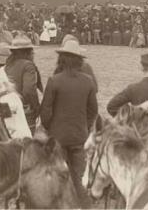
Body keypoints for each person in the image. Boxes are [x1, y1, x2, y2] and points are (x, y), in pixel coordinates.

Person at [40, 40, 97, 209]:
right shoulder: (88, 81)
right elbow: (93, 111)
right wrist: (84, 126)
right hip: (80, 136)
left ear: (62, 59)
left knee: (58, 177)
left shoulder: (54, 80)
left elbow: (45, 112)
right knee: (80, 178)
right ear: (80, 60)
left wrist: (51, 128)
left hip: (58, 137)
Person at [4, 35, 42, 134]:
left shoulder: (7, 65)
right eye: (31, 51)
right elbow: (29, 90)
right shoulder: (28, 65)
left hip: (8, 108)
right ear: (27, 52)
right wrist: (36, 108)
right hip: (24, 110)